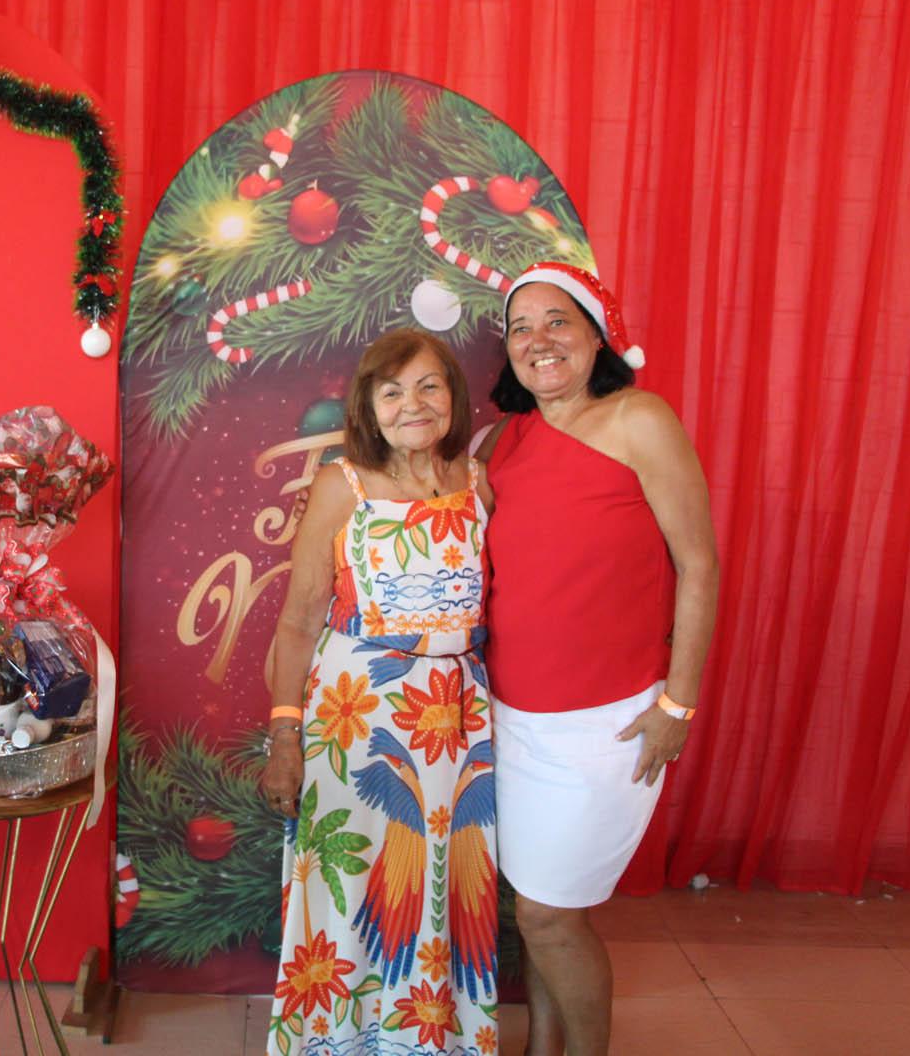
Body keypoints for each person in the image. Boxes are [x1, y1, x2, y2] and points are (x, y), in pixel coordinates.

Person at [475, 262, 719, 1056]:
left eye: (558, 321)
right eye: (521, 328)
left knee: (549, 915)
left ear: (596, 334)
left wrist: (678, 702)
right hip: (512, 717)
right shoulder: (504, 439)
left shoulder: (639, 418)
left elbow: (699, 565)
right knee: (539, 908)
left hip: (608, 721)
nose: (539, 341)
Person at [259, 329, 501, 1056]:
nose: (412, 404)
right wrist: (284, 738)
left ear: (453, 396)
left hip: (457, 724)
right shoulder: (344, 485)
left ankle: (430, 1041)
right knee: (351, 885)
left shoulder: (480, 481)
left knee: (441, 888)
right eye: (392, 391)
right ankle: (334, 1041)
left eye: (429, 386)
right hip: (355, 717)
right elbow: (298, 621)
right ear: (368, 406)